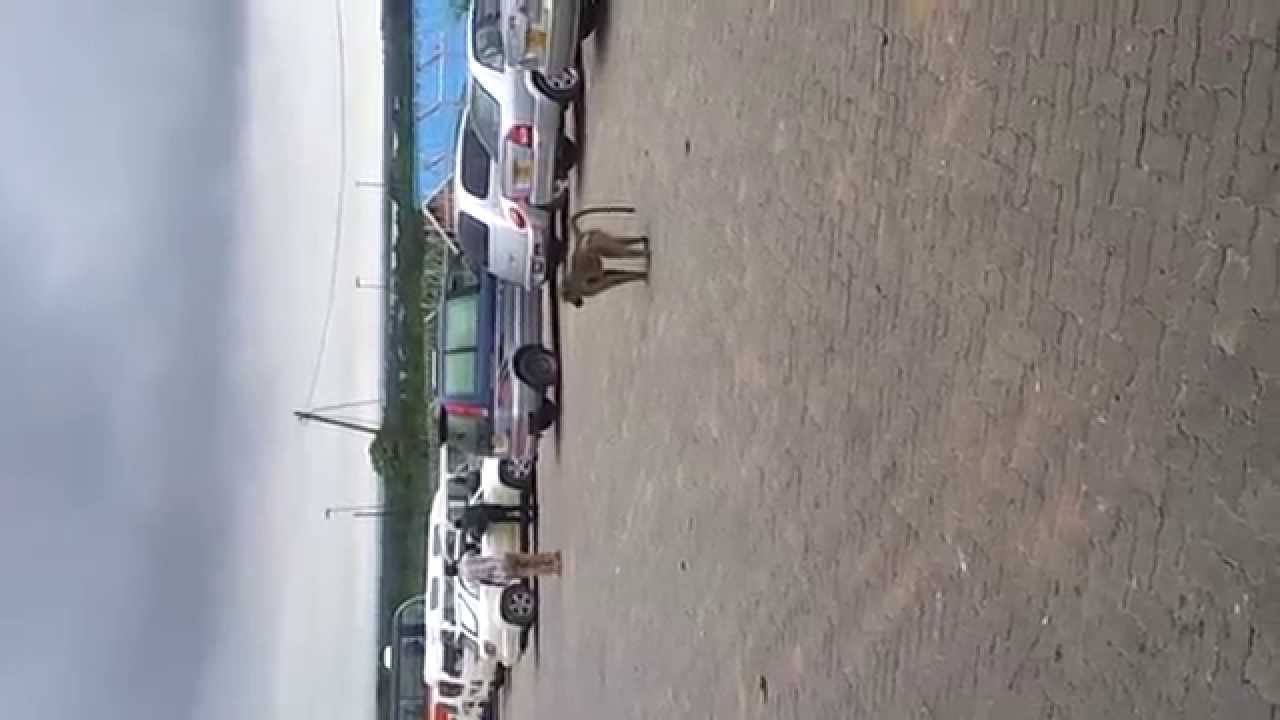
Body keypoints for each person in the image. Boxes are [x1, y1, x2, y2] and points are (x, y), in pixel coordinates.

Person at [444, 547, 563, 587]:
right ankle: (551, 557)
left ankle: (552, 569)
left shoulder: (467, 579)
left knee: (530, 571)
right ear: (453, 564)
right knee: (529, 558)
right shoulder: (465, 559)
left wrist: (501, 583)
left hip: (501, 574)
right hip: (500, 559)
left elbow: (484, 582)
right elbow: (475, 551)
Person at [452, 502, 531, 543]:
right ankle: (527, 508)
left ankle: (527, 519)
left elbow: (480, 527)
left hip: (489, 518)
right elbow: (478, 506)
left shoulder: (468, 526)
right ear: (458, 519)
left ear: (460, 526)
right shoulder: (466, 511)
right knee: (509, 508)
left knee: (508, 519)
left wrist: (481, 531)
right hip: (488, 509)